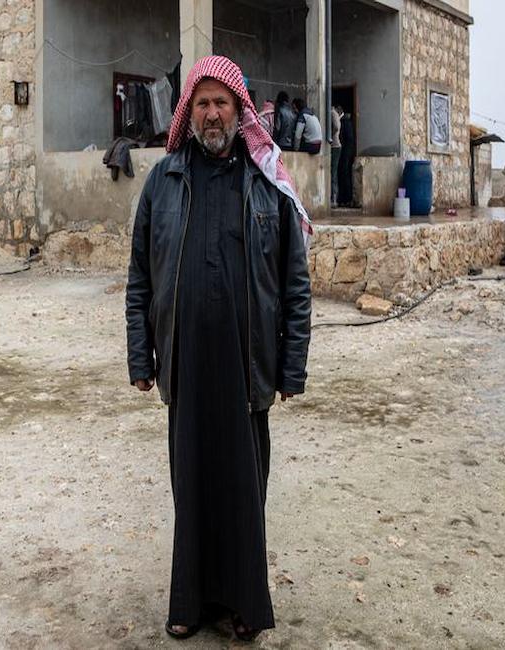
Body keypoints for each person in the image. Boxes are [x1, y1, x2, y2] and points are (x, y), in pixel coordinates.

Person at [125, 55, 312, 643]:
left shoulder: (267, 181)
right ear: (189, 111)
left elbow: (295, 285)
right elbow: (139, 278)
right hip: (185, 363)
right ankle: (190, 601)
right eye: (201, 103)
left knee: (242, 488)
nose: (211, 113)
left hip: (245, 365)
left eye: (221, 103)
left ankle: (242, 607)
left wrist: (291, 366)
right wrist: (141, 356)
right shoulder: (164, 179)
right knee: (193, 485)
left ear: (240, 110)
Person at [330, 105, 344, 206]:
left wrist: (330, 136)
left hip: (334, 145)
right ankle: (334, 198)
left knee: (333, 172)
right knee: (333, 172)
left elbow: (335, 127)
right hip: (336, 145)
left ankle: (334, 198)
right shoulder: (334, 114)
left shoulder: (332, 113)